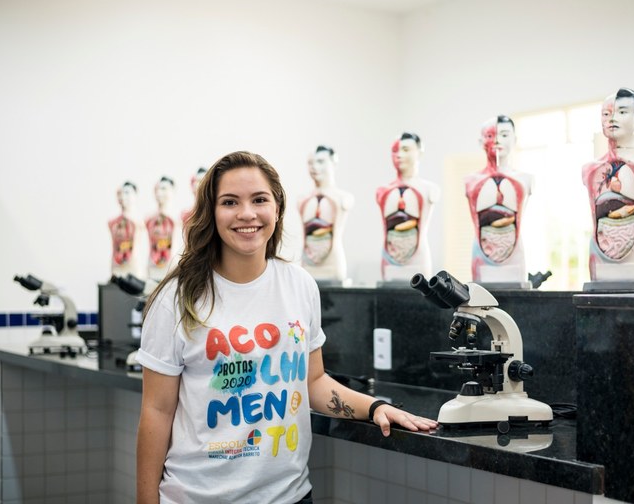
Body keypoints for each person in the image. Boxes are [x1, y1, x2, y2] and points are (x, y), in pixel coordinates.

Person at [136, 151, 437, 504]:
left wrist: (374, 408)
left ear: (277, 208)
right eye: (230, 202)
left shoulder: (299, 285)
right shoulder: (177, 297)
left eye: (259, 199)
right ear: (212, 213)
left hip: (289, 496)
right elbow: (156, 412)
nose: (246, 214)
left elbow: (313, 380)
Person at [582, 88, 634, 286]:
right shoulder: (589, 169)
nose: (613, 119)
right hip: (600, 259)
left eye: (622, 112)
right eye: (607, 113)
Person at [465, 116, 533, 285]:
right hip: (481, 259)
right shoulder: (470, 181)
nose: (497, 140)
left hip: (515, 259)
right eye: (490, 135)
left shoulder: (526, 179)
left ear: (514, 139)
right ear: (481, 141)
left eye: (504, 135)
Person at [375, 133, 440, 282]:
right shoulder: (382, 191)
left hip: (418, 263)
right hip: (389, 264)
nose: (399, 155)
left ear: (419, 151)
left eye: (405, 149)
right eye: (395, 150)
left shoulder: (430, 189)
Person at [297, 145, 354, 283]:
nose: (315, 167)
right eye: (311, 163)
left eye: (321, 162)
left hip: (333, 266)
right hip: (308, 267)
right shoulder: (302, 200)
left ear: (333, 163)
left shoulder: (343, 198)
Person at [145, 176, 182, 282]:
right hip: (152, 268)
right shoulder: (149, 218)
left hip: (171, 268)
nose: (159, 192)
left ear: (172, 191)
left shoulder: (177, 218)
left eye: (164, 189)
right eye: (157, 189)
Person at [108, 181, 148, 279]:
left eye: (127, 193)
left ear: (135, 196)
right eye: (120, 193)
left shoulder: (139, 222)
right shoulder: (113, 222)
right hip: (117, 268)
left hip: (133, 269)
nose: (123, 196)